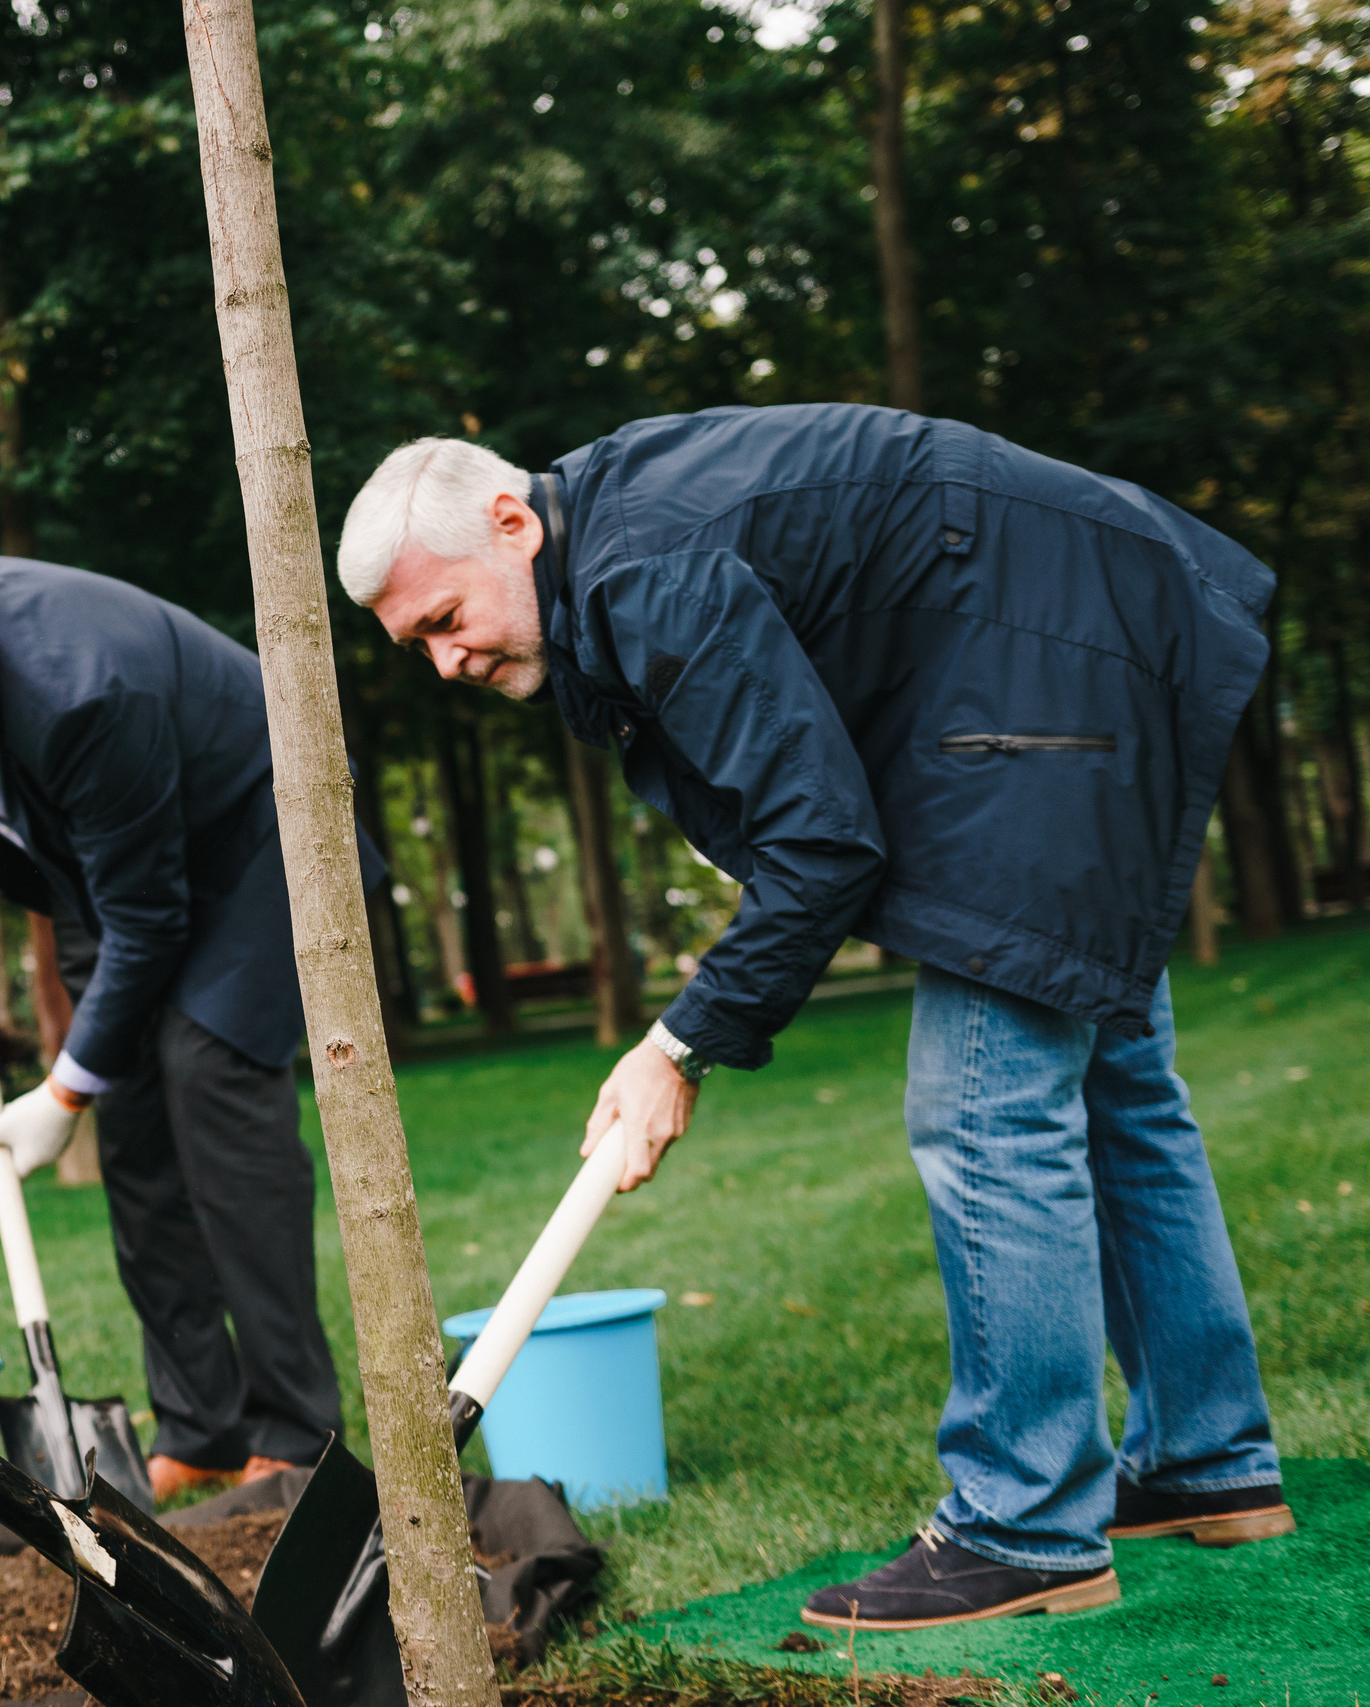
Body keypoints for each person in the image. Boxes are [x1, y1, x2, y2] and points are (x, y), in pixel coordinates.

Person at [336, 407, 1290, 1631]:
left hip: (1045, 679)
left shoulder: (644, 567)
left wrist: (676, 1045)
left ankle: (1024, 1524)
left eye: (444, 622)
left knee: (984, 1112)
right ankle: (1211, 1462)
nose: (443, 664)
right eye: (414, 644)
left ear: (511, 525)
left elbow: (821, 842)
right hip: (1069, 652)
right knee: (1123, 1097)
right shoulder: (612, 542)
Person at [0, 557, 372, 1501]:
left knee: (209, 1079)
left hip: (259, 834)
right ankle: (200, 1421)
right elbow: (97, 887)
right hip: (105, 861)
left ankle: (292, 1432)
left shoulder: (89, 693)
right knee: (137, 1131)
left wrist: (64, 1089)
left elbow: (150, 920)